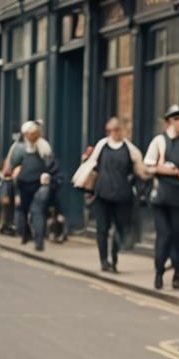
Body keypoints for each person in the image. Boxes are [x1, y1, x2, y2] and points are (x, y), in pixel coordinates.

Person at [74, 117, 146, 272]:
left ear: (121, 130)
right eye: (110, 130)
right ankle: (103, 261)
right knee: (102, 228)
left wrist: (149, 174)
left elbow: (140, 170)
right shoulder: (102, 145)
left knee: (120, 227)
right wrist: (82, 177)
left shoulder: (130, 149)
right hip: (102, 193)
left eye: (115, 129)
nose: (113, 133)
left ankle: (114, 257)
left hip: (122, 195)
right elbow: (90, 164)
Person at [143, 105, 179, 290]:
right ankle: (158, 273)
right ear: (169, 122)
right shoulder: (159, 141)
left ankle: (177, 277)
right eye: (178, 119)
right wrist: (175, 172)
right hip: (162, 197)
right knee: (164, 235)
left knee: (178, 238)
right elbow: (148, 166)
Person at [8, 120, 58, 250]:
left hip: (29, 184)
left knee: (27, 211)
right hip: (37, 184)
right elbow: (51, 165)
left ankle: (29, 237)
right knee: (36, 212)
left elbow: (13, 165)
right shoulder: (44, 146)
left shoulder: (21, 148)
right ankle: (37, 240)